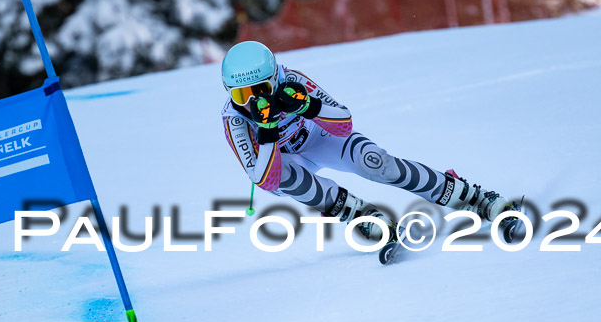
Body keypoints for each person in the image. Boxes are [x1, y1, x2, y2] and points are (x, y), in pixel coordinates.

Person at [220, 41, 519, 243]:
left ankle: (475, 197)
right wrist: (268, 128)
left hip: (316, 139)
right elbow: (265, 180)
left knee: (376, 162)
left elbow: (343, 123)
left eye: (261, 89)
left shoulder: (292, 80)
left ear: (276, 78)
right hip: (286, 160)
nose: (252, 101)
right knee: (286, 179)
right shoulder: (234, 119)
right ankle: (357, 214)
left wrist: (306, 106)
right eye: (240, 94)